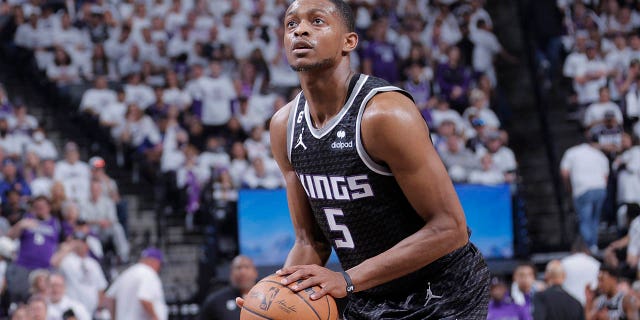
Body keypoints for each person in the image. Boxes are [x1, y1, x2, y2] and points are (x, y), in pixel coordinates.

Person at [237, 1, 490, 318]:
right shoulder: (283, 127)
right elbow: (310, 241)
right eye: (291, 24)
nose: (300, 30)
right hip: (369, 294)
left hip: (444, 291)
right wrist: (275, 295)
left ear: (349, 42)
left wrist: (348, 279)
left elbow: (450, 228)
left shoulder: (385, 114)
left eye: (317, 21)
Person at [106, 247, 167, 320]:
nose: (159, 268)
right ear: (154, 261)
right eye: (160, 264)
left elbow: (109, 299)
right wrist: (155, 317)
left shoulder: (127, 273)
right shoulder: (149, 273)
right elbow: (144, 298)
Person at [198, 255, 258, 320]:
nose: (242, 272)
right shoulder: (215, 301)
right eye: (238, 267)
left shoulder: (267, 299)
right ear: (231, 273)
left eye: (247, 267)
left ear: (255, 273)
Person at [561, 238, 600, 306]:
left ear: (572, 250)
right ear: (587, 250)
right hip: (589, 304)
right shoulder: (596, 264)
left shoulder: (564, 263)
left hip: (569, 305)